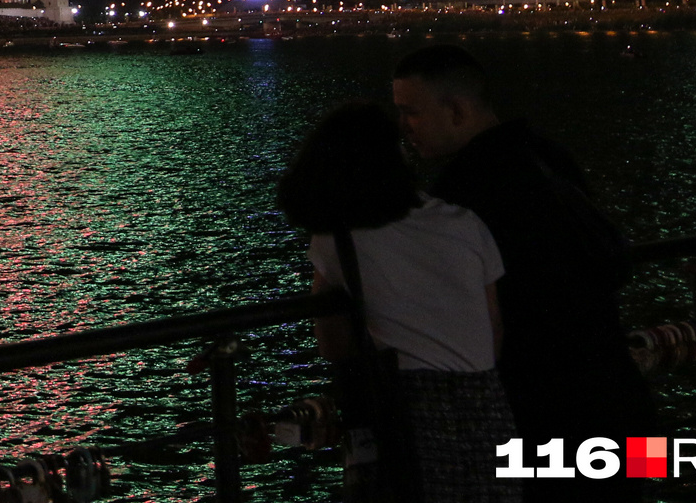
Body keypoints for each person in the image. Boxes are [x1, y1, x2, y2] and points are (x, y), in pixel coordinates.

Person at [391, 45, 655, 489]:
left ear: (455, 110)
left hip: (541, 412)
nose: (404, 128)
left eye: (410, 112)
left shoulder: (461, 196)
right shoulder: (547, 155)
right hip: (617, 393)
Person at [280, 101, 520, 503]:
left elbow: (332, 344)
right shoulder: (462, 221)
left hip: (405, 408)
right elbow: (493, 328)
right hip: (485, 402)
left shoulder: (337, 239)